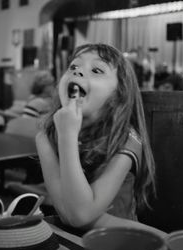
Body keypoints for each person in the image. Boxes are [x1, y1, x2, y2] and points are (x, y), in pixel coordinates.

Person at [36, 43, 167, 238]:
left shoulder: (127, 139)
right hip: (69, 239)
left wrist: (68, 136)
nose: (77, 73)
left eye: (96, 70)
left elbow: (79, 215)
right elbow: (70, 215)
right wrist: (66, 135)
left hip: (119, 244)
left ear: (119, 93)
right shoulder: (47, 135)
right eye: (73, 67)